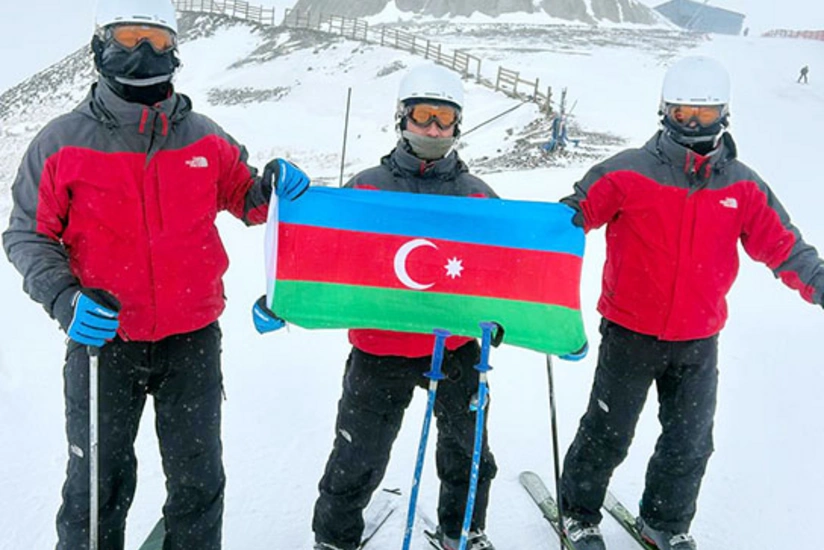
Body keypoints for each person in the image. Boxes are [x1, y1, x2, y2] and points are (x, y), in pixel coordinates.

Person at [2, 1, 309, 549]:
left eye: (158, 40)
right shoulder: (60, 142)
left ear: (177, 49)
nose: (144, 52)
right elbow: (27, 234)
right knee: (97, 484)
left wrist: (274, 187)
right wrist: (65, 300)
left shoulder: (204, 137)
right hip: (104, 343)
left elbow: (247, 199)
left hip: (190, 341)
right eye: (129, 37)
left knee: (198, 477)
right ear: (101, 44)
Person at [556, 55, 824, 550]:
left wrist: (819, 282)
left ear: (724, 114)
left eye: (704, 114)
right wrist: (530, 243)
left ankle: (665, 520)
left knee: (689, 442)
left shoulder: (741, 184)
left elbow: (783, 245)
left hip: (699, 339)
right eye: (683, 113)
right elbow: (568, 219)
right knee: (607, 431)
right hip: (630, 332)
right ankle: (578, 513)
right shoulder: (625, 173)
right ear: (664, 110)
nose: (693, 124)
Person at [254, 64, 499, 550]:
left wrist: (514, 320)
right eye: (423, 115)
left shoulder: (477, 195)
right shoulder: (367, 186)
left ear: (457, 125)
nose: (433, 128)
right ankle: (335, 537)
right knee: (358, 450)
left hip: (455, 347)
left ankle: (463, 531)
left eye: (444, 118)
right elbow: (327, 257)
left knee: (467, 450)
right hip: (379, 346)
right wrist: (283, 297)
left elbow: (501, 270)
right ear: (402, 119)